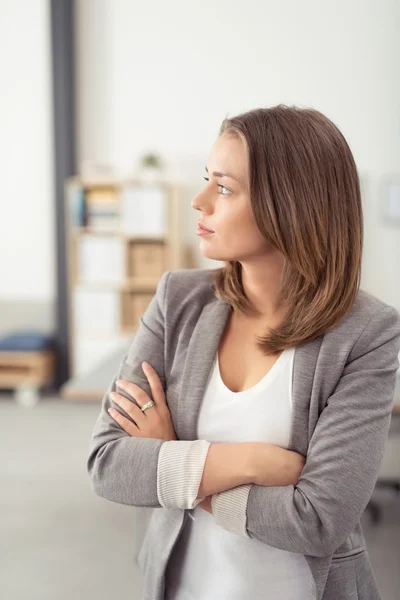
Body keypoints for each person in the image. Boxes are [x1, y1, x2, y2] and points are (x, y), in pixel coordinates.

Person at [87, 104, 400, 600]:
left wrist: (177, 463)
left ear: (291, 205)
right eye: (206, 179)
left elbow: (318, 520)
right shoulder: (177, 300)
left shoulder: (367, 333)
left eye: (224, 188)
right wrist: (254, 461)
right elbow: (109, 464)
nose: (199, 200)